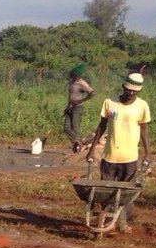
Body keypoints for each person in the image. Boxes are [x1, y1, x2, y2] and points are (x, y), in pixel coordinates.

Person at [85, 72, 151, 233]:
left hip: (129, 157)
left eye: (134, 91)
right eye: (128, 89)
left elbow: (144, 130)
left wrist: (148, 153)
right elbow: (101, 126)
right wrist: (92, 149)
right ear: (123, 87)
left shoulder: (142, 106)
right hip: (110, 156)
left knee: (126, 194)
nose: (130, 93)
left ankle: (121, 222)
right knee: (107, 192)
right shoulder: (110, 102)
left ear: (138, 91)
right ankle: (108, 221)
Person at [64, 64, 96, 152]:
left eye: (73, 75)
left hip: (77, 107)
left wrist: (82, 100)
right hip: (70, 106)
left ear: (77, 76)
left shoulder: (82, 83)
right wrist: (67, 106)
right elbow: (70, 95)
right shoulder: (71, 82)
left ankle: (78, 146)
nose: (71, 76)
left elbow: (92, 93)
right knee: (66, 128)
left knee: (75, 127)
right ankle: (79, 142)